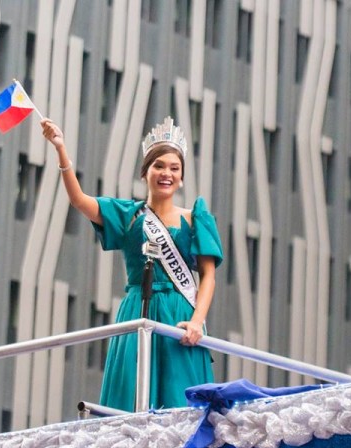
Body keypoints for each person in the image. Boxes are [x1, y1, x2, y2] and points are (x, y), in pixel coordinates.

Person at [41, 116, 223, 410]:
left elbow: (208, 276)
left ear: (182, 177)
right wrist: (61, 151)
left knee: (179, 397)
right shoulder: (129, 214)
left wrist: (197, 321)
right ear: (145, 172)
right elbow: (79, 200)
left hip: (180, 313)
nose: (167, 173)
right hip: (138, 306)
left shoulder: (196, 217)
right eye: (159, 166)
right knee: (131, 396)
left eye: (174, 169)